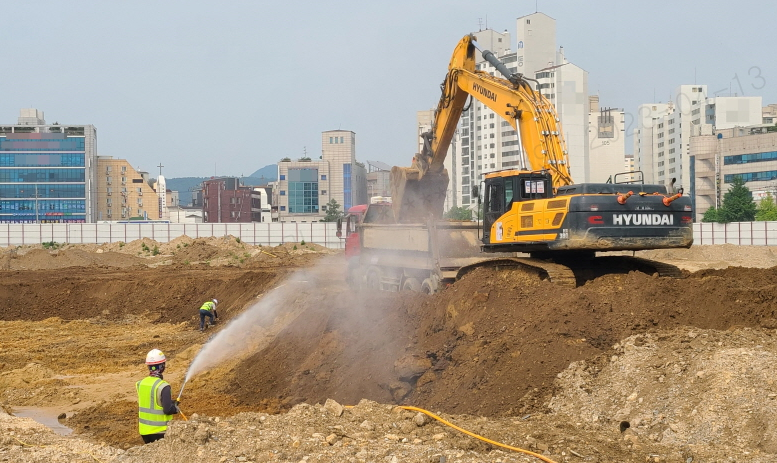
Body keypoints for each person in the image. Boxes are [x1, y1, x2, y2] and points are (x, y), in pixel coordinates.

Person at [136, 349, 179, 444]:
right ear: (162, 366)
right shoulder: (164, 386)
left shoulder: (141, 384)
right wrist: (175, 408)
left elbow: (152, 401)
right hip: (160, 432)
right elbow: (167, 410)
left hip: (144, 432)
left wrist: (169, 402)